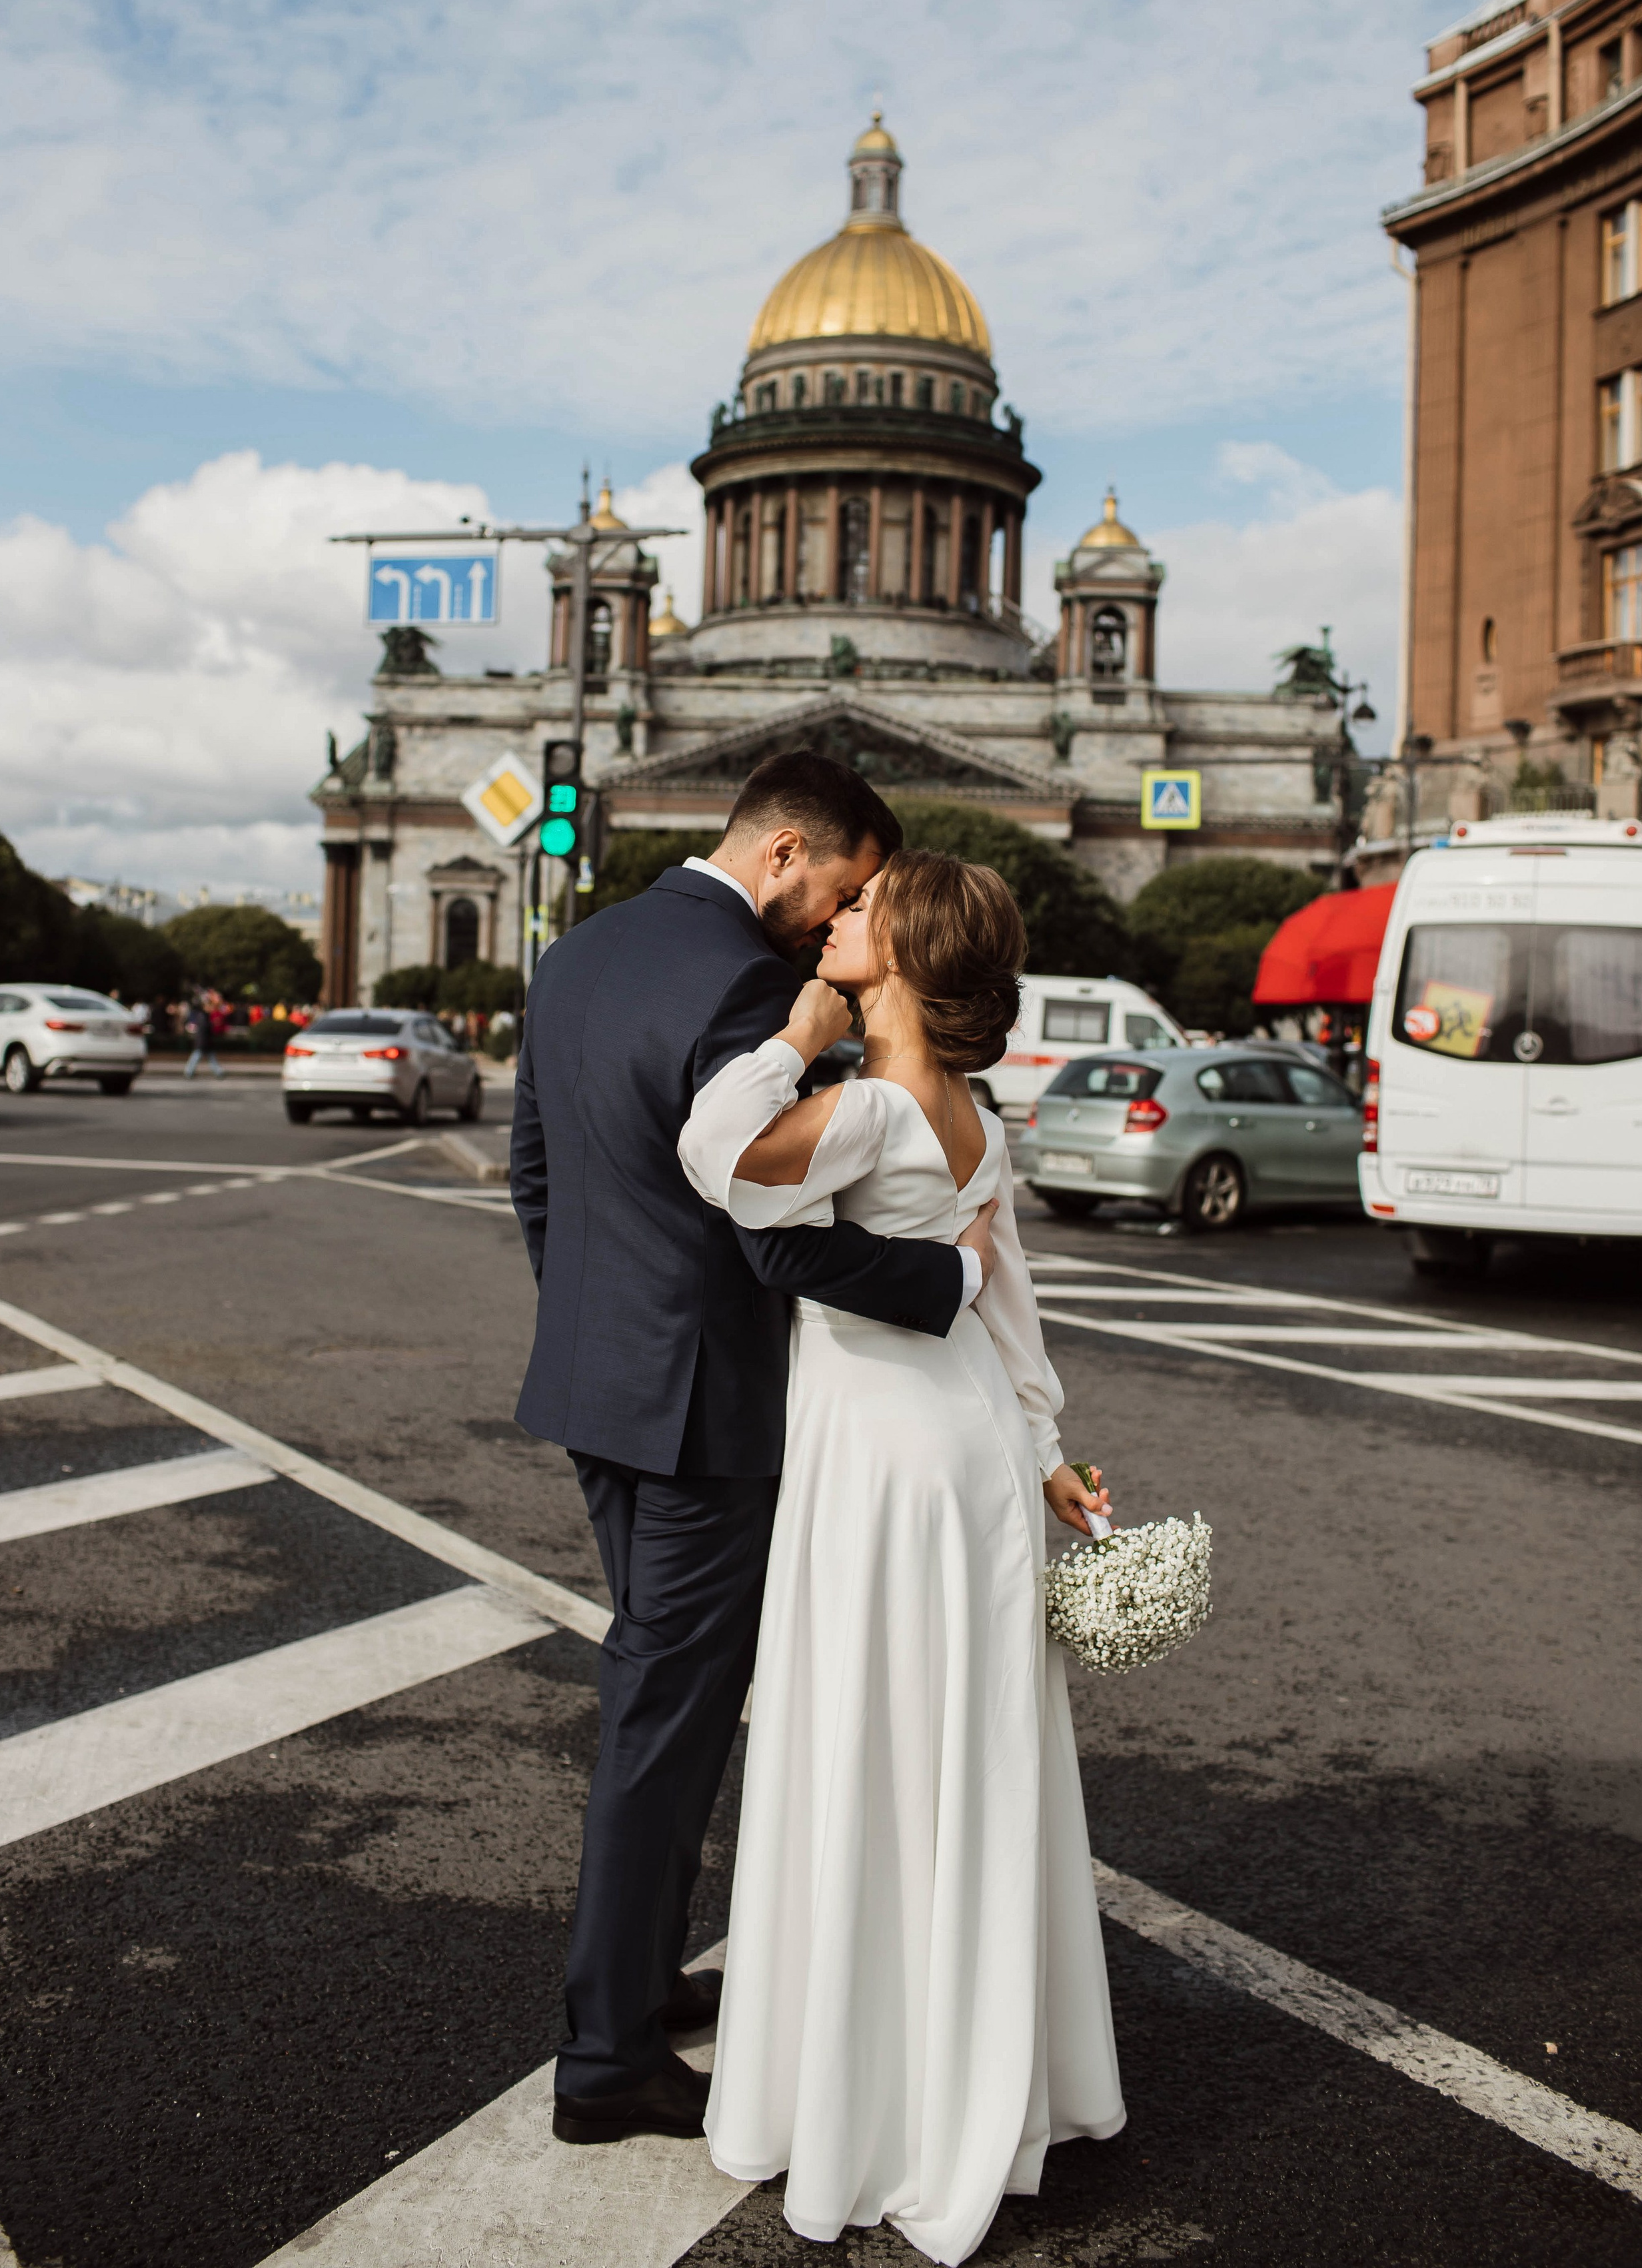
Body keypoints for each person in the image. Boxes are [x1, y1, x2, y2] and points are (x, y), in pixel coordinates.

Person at [510, 754, 999, 2147]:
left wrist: (601, 1338)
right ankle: (605, 2059)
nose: (836, 921)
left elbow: (535, 1177)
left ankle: (641, 1982)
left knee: (659, 1696)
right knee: (664, 1722)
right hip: (706, 1414)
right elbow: (773, 1238)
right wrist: (949, 1279)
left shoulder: (579, 951)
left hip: (599, 1391)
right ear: (786, 852)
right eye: (844, 887)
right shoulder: (747, 985)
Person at [678, 848, 1124, 2264]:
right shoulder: (976, 1120)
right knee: (967, 1758)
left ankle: (880, 2097)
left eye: (864, 909)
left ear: (911, 953)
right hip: (972, 1450)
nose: (837, 916)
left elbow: (713, 1154)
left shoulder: (867, 1109)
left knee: (868, 1751)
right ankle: (971, 2072)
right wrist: (1047, 1451)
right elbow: (1007, 1308)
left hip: (882, 1460)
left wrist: (789, 1037)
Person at [183, 991, 223, 1081]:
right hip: (203, 1041)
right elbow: (205, 1028)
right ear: (205, 1007)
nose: (211, 1008)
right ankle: (189, 1072)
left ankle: (219, 1072)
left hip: (204, 1042)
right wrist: (213, 1024)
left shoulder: (205, 1016)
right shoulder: (203, 1016)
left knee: (208, 1058)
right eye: (210, 1006)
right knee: (197, 1057)